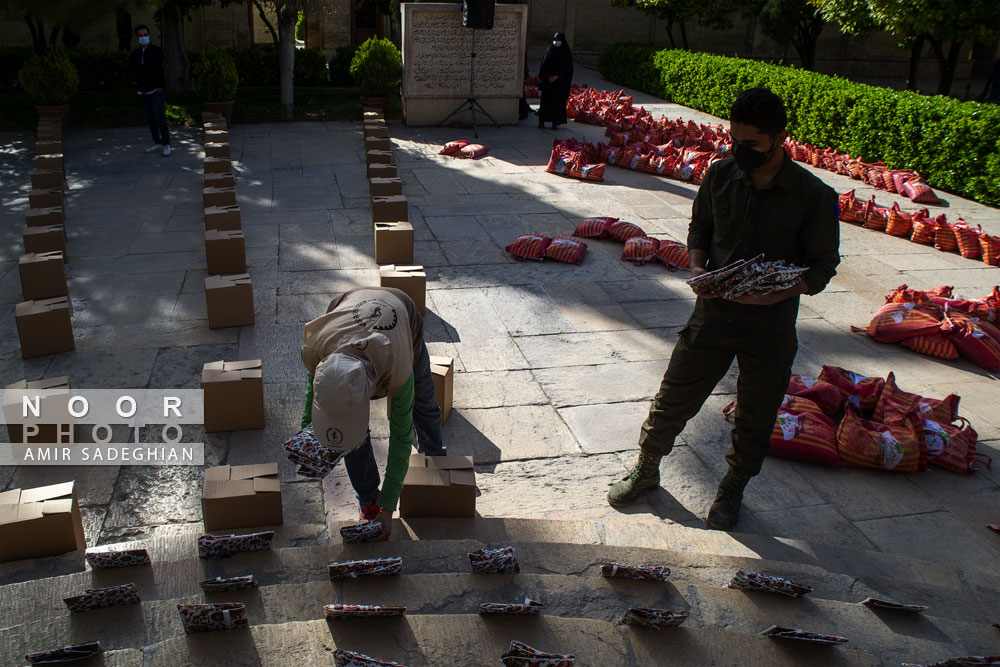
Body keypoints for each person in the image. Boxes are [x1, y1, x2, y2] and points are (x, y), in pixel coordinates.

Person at [607, 88, 840, 531]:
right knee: (674, 396)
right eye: (734, 140)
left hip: (769, 326)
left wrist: (779, 292)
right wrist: (697, 267)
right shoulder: (719, 176)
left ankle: (733, 487)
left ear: (779, 138)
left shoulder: (813, 195)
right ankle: (646, 468)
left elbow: (824, 266)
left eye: (751, 144)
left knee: (757, 413)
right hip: (713, 316)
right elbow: (701, 228)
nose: (740, 151)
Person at [300, 287, 446, 541]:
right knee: (351, 439)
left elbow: (401, 438)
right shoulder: (316, 350)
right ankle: (368, 499)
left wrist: (388, 505)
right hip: (345, 307)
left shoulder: (399, 370)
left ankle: (438, 460)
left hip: (402, 314)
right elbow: (311, 396)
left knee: (424, 403)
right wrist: (307, 434)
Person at [128, 24, 171, 157]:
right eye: (140, 36)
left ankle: (166, 144)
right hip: (143, 90)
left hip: (156, 89)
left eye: (145, 35)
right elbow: (133, 69)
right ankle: (156, 142)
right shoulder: (135, 54)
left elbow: (155, 68)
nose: (143, 37)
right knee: (150, 118)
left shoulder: (156, 51)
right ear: (137, 37)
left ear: (149, 35)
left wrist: (143, 70)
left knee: (159, 116)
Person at [537, 32, 573, 130]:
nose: (556, 42)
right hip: (548, 82)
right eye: (555, 40)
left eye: (558, 40)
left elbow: (568, 69)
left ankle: (555, 122)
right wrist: (548, 76)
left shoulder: (565, 52)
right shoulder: (549, 50)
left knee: (557, 102)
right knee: (545, 102)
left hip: (559, 83)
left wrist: (557, 76)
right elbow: (544, 65)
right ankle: (542, 121)